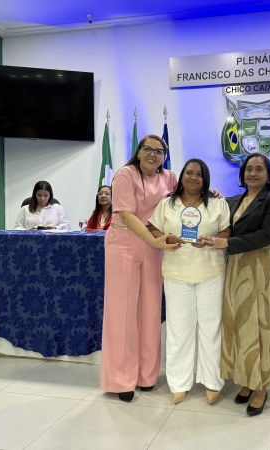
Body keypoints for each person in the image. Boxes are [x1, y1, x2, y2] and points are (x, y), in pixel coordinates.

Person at [201, 153, 270, 417]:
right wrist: (212, 195)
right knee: (240, 325)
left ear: (268, 174)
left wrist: (227, 243)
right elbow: (214, 214)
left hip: (261, 266)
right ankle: (247, 379)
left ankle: (261, 387)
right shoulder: (233, 201)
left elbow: (268, 235)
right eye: (249, 169)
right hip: (236, 267)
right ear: (242, 174)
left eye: (259, 169)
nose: (252, 173)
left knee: (262, 325)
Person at [100, 134, 180, 403]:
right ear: (139, 151)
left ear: (164, 157)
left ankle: (146, 376)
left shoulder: (170, 177)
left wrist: (212, 194)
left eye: (159, 151)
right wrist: (151, 240)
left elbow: (185, 201)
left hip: (154, 246)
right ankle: (122, 380)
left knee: (150, 310)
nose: (152, 154)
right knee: (122, 312)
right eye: (147, 149)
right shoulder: (125, 174)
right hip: (124, 243)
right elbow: (127, 213)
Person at [149, 159, 231, 405]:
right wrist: (166, 238)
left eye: (199, 174)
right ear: (182, 176)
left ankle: (212, 381)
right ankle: (179, 383)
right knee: (178, 330)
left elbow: (227, 231)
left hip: (211, 272)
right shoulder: (166, 204)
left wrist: (211, 240)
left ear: (206, 179)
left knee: (211, 329)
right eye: (189, 173)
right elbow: (153, 229)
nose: (194, 177)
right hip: (177, 274)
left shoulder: (218, 203)